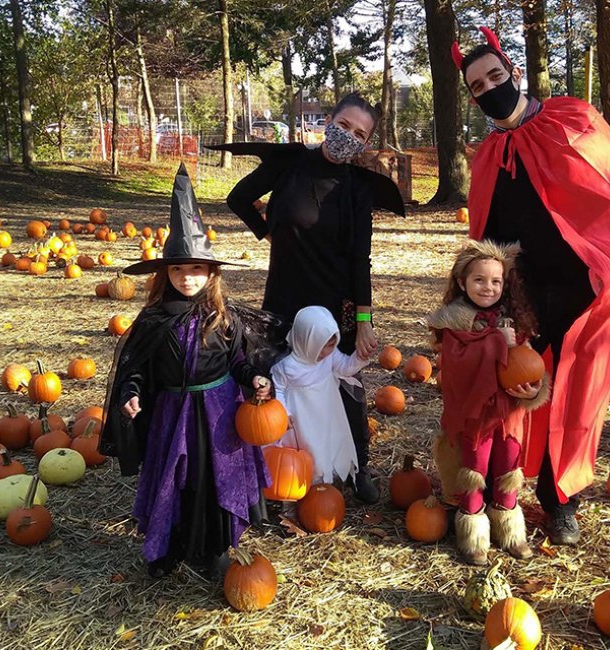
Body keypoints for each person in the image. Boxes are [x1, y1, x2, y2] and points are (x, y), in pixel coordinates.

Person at [449, 28, 610, 546]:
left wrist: (607, 273)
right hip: (523, 297)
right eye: (476, 86)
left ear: (514, 70)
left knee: (576, 397)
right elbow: (486, 233)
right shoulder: (490, 155)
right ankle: (503, 489)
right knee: (517, 393)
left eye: (495, 75)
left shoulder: (572, 119)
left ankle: (561, 500)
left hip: (583, 292)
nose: (489, 88)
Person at [219, 92, 405, 504]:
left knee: (344, 383)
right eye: (344, 126)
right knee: (282, 382)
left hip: (334, 301)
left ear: (366, 143)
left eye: (360, 134)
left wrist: (363, 320)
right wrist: (265, 230)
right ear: (329, 122)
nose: (349, 137)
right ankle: (284, 465)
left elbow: (361, 259)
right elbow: (237, 198)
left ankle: (357, 465)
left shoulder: (357, 189)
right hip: (285, 297)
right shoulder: (289, 165)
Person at [99, 164, 278, 578]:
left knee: (213, 480)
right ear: (165, 274)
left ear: (211, 273)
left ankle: (216, 547)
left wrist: (253, 377)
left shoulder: (223, 317)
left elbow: (238, 361)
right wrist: (131, 392)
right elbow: (137, 368)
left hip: (218, 418)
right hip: (172, 415)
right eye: (177, 270)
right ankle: (169, 546)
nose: (187, 278)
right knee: (174, 480)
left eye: (196, 269)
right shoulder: (153, 319)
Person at [427, 240, 550, 565]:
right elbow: (459, 368)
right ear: (462, 282)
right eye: (479, 280)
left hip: (509, 415)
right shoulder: (455, 324)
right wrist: (496, 342)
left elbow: (527, 362)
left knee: (508, 467)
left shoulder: (513, 320)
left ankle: (509, 528)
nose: (488, 287)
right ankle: (473, 533)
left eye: (496, 281)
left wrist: (534, 389)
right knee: (474, 469)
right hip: (475, 418)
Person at [271, 306, 370, 485]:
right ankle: (302, 486)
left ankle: (325, 483)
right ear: (305, 341)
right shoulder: (287, 367)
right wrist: (283, 413)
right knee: (306, 449)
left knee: (325, 444)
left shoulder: (330, 356)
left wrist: (360, 357)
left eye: (331, 346)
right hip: (300, 418)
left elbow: (345, 368)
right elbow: (277, 389)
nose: (326, 352)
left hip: (326, 413)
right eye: (321, 347)